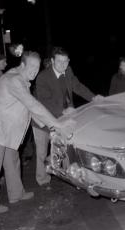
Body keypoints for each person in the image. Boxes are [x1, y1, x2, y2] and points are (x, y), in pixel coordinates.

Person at [0, 51, 75, 214]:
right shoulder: (14, 80)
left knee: (12, 161)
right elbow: (33, 105)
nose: (35, 71)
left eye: (37, 67)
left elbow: (31, 110)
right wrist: (57, 124)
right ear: (22, 65)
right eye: (31, 66)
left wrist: (51, 126)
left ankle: (16, 194)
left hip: (8, 130)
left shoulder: (19, 78)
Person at [33, 47, 102, 189]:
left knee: (66, 146)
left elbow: (78, 86)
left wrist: (93, 97)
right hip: (43, 120)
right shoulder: (42, 77)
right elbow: (44, 101)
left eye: (65, 61)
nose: (62, 65)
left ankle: (69, 175)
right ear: (52, 61)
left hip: (64, 118)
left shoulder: (68, 71)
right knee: (42, 150)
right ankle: (43, 180)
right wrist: (63, 110)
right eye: (59, 61)